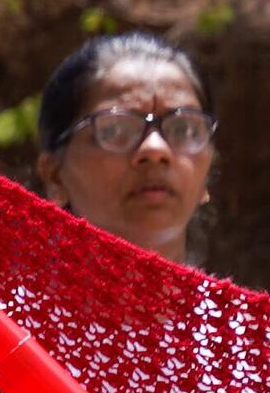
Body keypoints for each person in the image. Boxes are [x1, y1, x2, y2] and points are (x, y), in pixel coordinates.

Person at [28, 29, 215, 263]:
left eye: (184, 129)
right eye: (115, 130)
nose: (155, 149)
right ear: (54, 175)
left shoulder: (235, 302)